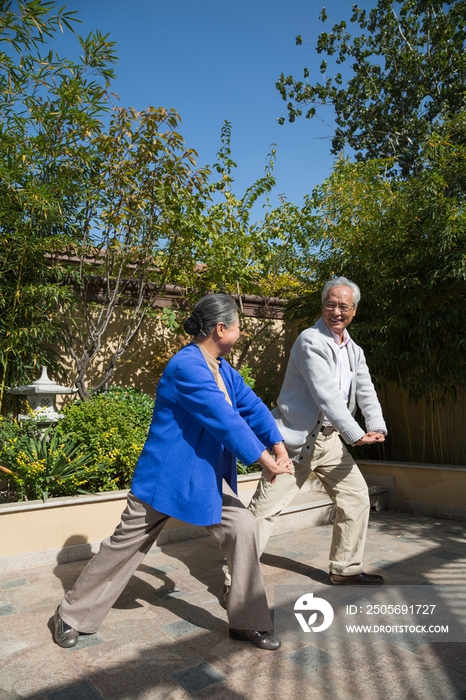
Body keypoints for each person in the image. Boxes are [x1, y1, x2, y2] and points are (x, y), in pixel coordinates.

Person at [53, 294, 292, 651]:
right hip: (167, 476)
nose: (241, 332)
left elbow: (251, 405)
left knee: (243, 528)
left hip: (204, 476)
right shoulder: (187, 366)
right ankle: (69, 615)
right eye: (238, 326)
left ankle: (247, 622)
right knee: (125, 545)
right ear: (220, 328)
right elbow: (222, 418)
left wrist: (278, 445)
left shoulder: (223, 368)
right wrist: (263, 460)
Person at [246, 277, 387, 586]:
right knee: (264, 511)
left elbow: (366, 390)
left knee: (355, 497)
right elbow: (326, 394)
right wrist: (354, 432)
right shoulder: (310, 341)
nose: (336, 311)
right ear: (323, 305)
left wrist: (376, 426)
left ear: (354, 310)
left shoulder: (354, 350)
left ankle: (345, 569)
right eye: (330, 304)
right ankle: (237, 578)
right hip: (293, 442)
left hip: (329, 441)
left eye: (344, 306)